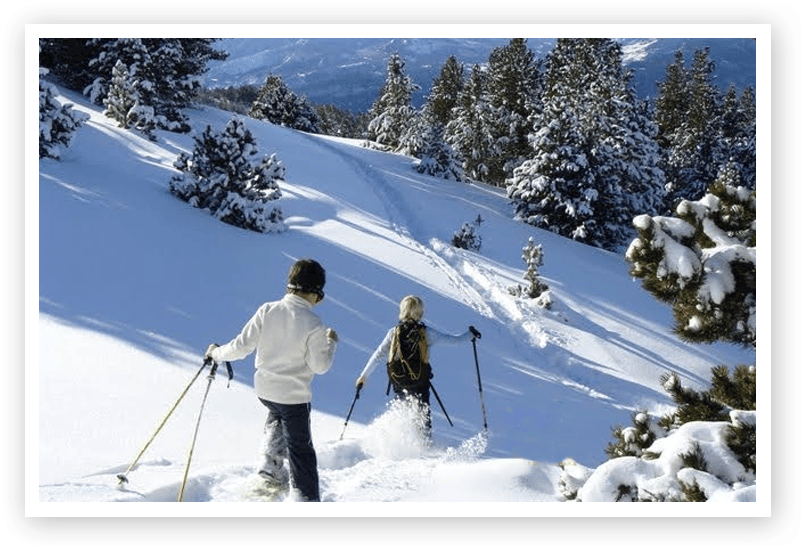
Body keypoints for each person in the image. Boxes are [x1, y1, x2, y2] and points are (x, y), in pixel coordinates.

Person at [205, 258, 338, 502]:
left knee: (277, 416)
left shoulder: (267, 310)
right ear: (316, 293)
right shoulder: (314, 323)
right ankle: (306, 498)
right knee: (301, 451)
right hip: (294, 397)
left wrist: (216, 353)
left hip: (265, 391)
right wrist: (331, 343)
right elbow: (320, 366)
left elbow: (241, 346)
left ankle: (271, 470)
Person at [355, 295, 480, 435]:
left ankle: (400, 442)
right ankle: (424, 446)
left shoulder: (393, 333)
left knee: (403, 413)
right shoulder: (426, 333)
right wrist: (470, 334)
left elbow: (377, 355)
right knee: (422, 419)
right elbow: (454, 341)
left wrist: (363, 376)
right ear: (420, 312)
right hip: (420, 383)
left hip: (399, 382)